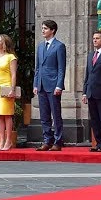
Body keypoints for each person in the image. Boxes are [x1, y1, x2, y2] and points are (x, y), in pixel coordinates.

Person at [34, 19, 66, 151]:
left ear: (52, 30)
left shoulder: (59, 46)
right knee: (44, 115)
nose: (43, 30)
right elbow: (37, 67)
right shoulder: (40, 46)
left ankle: (58, 141)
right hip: (41, 84)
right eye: (42, 28)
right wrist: (36, 84)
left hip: (53, 85)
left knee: (56, 114)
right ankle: (47, 140)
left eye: (45, 28)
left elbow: (61, 68)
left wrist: (59, 85)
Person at [0, 34, 18, 151]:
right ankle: (1, 141)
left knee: (7, 114)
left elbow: (13, 74)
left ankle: (8, 140)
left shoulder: (11, 57)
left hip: (6, 87)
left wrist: (12, 89)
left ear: (4, 44)